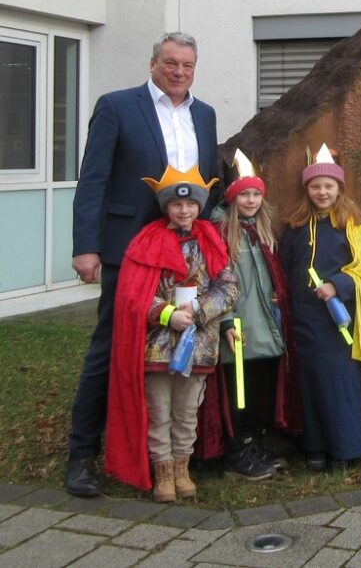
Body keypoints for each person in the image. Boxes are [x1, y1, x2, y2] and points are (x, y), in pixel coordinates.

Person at [66, 32, 219, 498]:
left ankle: (176, 453)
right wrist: (86, 246)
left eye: (187, 65)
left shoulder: (205, 114)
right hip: (128, 247)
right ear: (153, 63)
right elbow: (93, 178)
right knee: (111, 345)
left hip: (184, 253)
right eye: (170, 63)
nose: (179, 72)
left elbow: (208, 183)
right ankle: (82, 454)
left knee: (180, 347)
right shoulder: (117, 106)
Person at [104, 166, 238, 502]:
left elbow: (229, 287)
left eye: (191, 205)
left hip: (198, 344)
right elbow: (134, 294)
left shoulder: (210, 239)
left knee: (187, 409)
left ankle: (182, 468)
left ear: (199, 207)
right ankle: (162, 470)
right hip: (158, 347)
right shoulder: (148, 240)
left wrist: (200, 310)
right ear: (166, 207)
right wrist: (167, 315)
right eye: (177, 205)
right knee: (159, 409)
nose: (184, 210)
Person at [279, 145, 361, 471]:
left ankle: (346, 448)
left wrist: (337, 284)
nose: (322, 192)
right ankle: (315, 447)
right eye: (315, 186)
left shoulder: (352, 226)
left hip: (339, 320)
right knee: (310, 383)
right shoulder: (295, 228)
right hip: (305, 320)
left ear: (339, 188)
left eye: (328, 186)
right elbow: (285, 267)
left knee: (339, 382)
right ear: (307, 189)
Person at [206, 149, 298, 481]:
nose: (250, 200)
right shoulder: (221, 232)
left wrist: (279, 297)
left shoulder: (262, 231)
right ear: (232, 197)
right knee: (239, 393)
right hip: (241, 328)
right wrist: (228, 321)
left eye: (256, 193)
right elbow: (217, 280)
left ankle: (256, 444)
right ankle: (239, 451)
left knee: (260, 389)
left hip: (266, 325)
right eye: (244, 193)